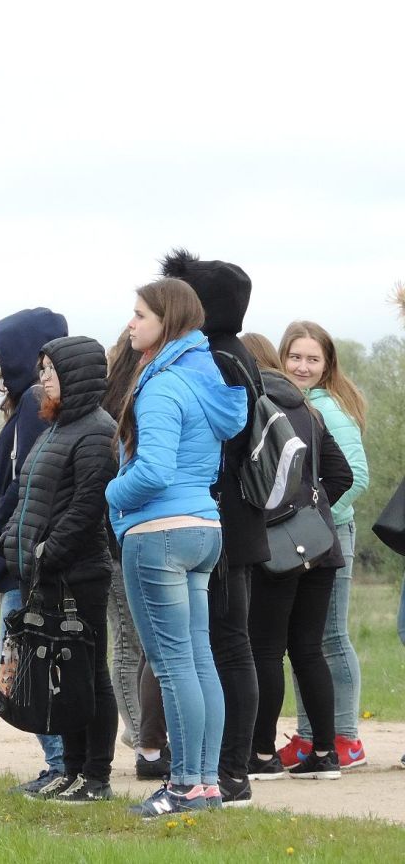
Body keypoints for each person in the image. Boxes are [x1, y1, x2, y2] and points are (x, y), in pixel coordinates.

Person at [105, 278, 247, 817]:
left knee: (171, 666)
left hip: (158, 532)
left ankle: (184, 785)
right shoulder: (202, 377)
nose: (131, 323)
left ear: (168, 321)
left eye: (141, 314)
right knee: (198, 659)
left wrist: (111, 494)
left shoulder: (163, 385)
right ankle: (206, 784)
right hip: (203, 529)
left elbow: (154, 471)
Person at [160, 250, 267, 806]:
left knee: (223, 645)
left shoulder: (216, 359)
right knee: (228, 643)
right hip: (235, 519)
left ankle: (228, 770)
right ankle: (226, 767)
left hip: (217, 515)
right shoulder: (237, 353)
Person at [0, 337, 119, 802]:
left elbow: (88, 505)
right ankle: (70, 770)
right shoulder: (56, 428)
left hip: (80, 574)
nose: (43, 379)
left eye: (50, 370)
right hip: (46, 573)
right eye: (43, 369)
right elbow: (28, 493)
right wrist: (12, 540)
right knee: (64, 678)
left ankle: (96, 777)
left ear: (76, 375)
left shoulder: (97, 430)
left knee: (91, 676)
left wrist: (48, 552)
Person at [240, 332, 353, 783]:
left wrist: (277, 517)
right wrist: (309, 511)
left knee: (265, 650)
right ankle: (325, 754)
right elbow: (341, 474)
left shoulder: (255, 407)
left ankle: (262, 754)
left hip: (274, 548)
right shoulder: (309, 409)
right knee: (308, 650)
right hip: (321, 544)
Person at [0, 307, 69, 796]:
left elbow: (31, 478)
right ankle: (63, 762)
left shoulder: (35, 402)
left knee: (25, 662)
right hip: (29, 550)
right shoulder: (34, 402)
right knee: (33, 659)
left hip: (26, 556)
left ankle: (61, 764)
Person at [277, 321, 370, 770]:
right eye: (295, 357)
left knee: (329, 637)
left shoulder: (328, 407)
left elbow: (356, 477)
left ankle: (346, 736)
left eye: (313, 359)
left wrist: (312, 516)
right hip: (309, 537)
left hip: (330, 536)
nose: (303, 366)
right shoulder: (298, 403)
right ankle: (312, 735)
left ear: (327, 364)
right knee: (306, 640)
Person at [101, 331, 154, 776]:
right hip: (116, 540)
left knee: (139, 641)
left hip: (132, 536)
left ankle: (143, 729)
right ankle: (140, 733)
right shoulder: (117, 409)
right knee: (128, 640)